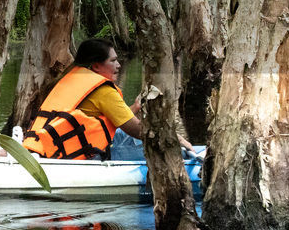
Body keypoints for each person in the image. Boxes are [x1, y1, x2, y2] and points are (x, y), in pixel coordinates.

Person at [22, 39, 196, 161]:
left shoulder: (67, 79)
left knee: (120, 135)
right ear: (96, 65)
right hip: (78, 155)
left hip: (40, 145)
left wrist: (134, 108)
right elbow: (137, 130)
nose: (119, 65)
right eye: (113, 61)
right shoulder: (104, 90)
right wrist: (175, 139)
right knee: (157, 145)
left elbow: (101, 120)